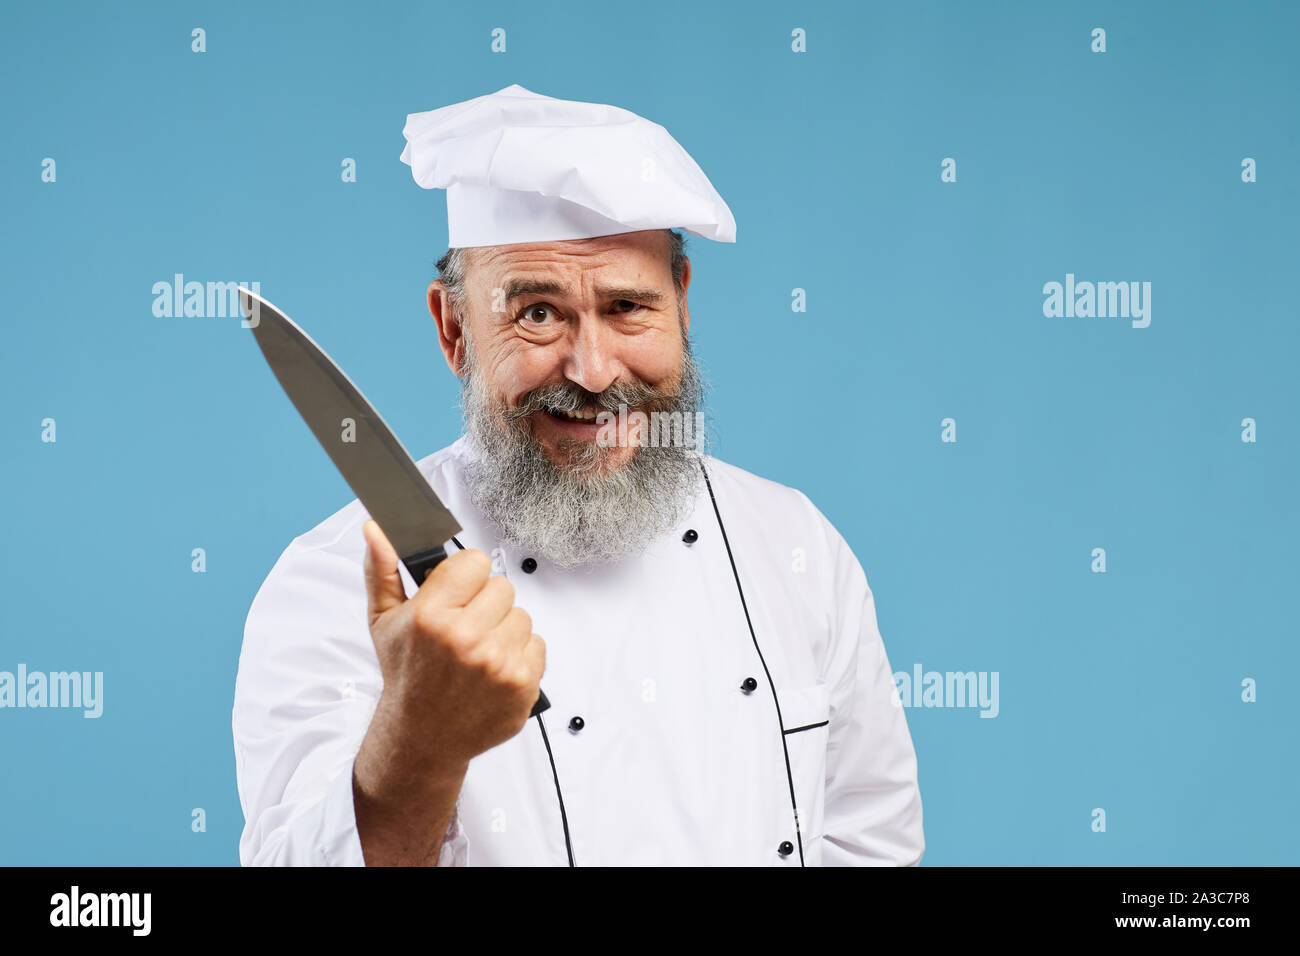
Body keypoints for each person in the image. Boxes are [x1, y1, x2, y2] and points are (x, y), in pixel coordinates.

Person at [233, 84, 924, 866]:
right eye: (537, 313)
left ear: (683, 307)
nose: (594, 373)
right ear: (454, 330)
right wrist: (419, 741)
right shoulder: (333, 585)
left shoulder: (796, 547)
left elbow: (871, 843)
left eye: (629, 306)